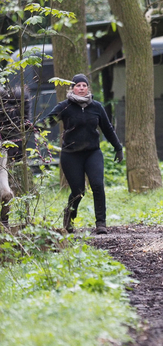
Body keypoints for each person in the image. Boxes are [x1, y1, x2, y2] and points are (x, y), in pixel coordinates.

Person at [38, 74, 123, 235]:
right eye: (78, 85)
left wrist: (118, 147)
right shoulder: (65, 106)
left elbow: (108, 128)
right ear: (72, 88)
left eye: (84, 85)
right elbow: (49, 121)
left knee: (97, 185)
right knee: (78, 191)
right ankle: (69, 219)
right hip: (71, 154)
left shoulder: (96, 107)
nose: (81, 88)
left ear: (88, 88)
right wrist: (32, 127)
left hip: (93, 153)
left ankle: (101, 223)